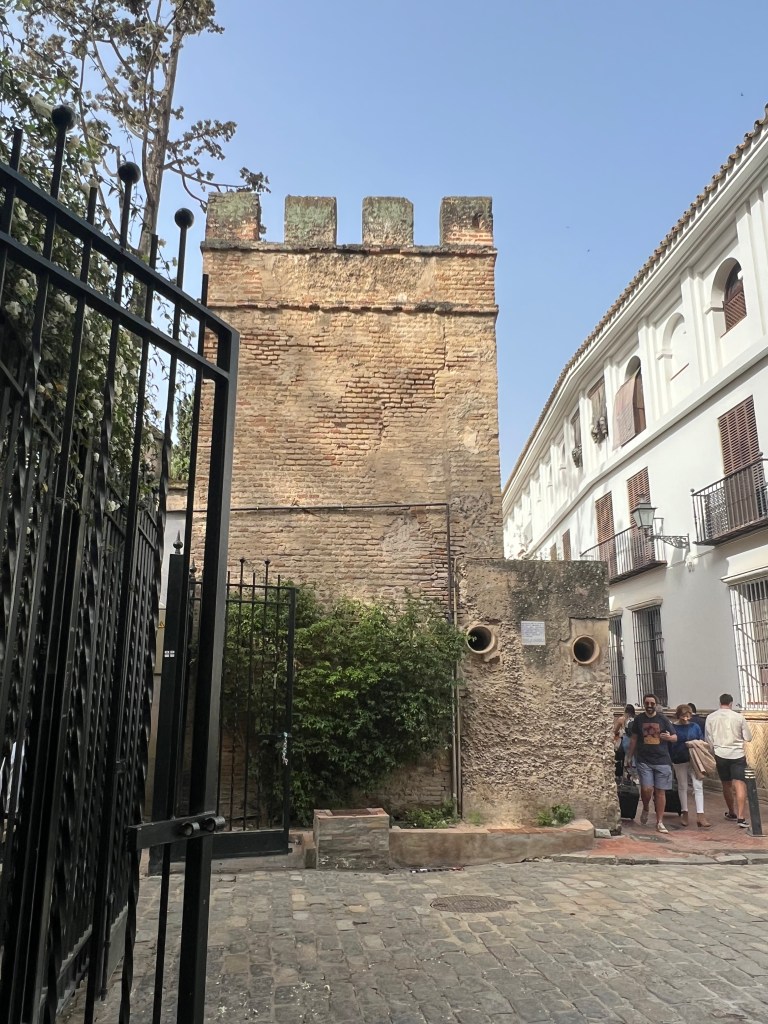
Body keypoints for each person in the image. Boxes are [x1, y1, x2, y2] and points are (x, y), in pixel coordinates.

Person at [626, 694, 677, 833]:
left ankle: (659, 822)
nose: (649, 706)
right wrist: (629, 756)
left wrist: (668, 737)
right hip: (644, 760)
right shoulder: (639, 719)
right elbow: (634, 738)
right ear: (644, 704)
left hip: (662, 760)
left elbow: (675, 737)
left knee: (660, 792)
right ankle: (646, 806)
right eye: (647, 703)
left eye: (652, 703)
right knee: (647, 789)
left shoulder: (663, 719)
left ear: (656, 704)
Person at [705, 693, 753, 828]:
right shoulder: (738, 717)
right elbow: (748, 737)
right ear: (731, 703)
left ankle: (731, 812)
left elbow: (708, 739)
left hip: (720, 754)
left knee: (726, 784)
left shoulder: (711, 717)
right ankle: (741, 817)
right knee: (740, 784)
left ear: (720, 702)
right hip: (737, 754)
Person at [669, 704, 710, 828]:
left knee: (698, 785)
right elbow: (671, 744)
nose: (685, 719)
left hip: (694, 759)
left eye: (688, 716)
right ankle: (684, 812)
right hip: (679, 758)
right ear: (678, 715)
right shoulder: (673, 727)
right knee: (683, 786)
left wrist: (694, 743)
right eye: (683, 716)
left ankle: (700, 814)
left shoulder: (695, 726)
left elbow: (701, 740)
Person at [613, 703, 636, 778]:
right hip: (635, 741)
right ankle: (634, 774)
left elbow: (615, 731)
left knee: (624, 755)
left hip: (626, 740)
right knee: (633, 756)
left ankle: (626, 773)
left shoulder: (621, 719)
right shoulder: (636, 719)